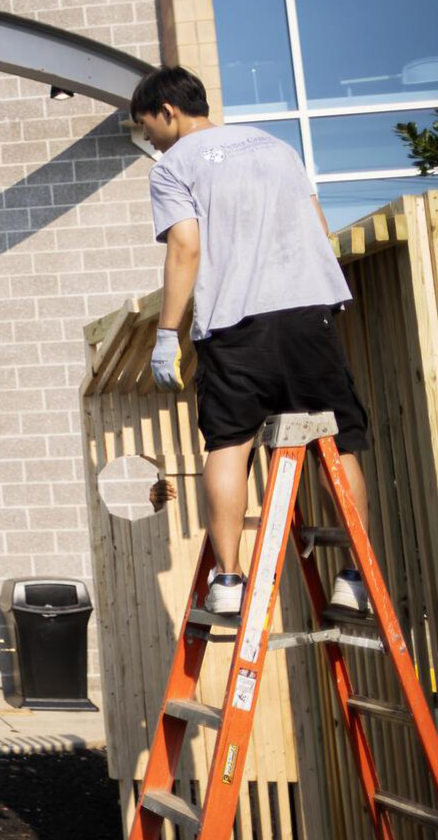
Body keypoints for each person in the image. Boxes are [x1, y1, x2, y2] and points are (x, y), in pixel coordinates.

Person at [133, 66, 372, 618]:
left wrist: (166, 333)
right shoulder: (277, 147)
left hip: (237, 326)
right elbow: (316, 224)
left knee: (230, 445)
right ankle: (355, 577)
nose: (149, 141)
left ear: (168, 110)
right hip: (310, 316)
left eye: (148, 128)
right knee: (336, 443)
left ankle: (230, 580)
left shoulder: (174, 167)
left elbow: (186, 249)